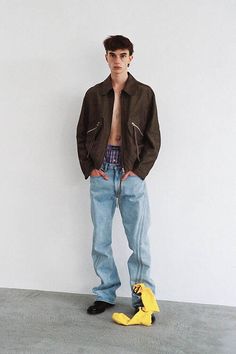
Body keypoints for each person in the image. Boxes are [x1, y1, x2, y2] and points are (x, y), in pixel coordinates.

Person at [76, 35, 161, 317]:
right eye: (112, 55)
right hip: (102, 172)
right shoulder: (94, 94)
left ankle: (142, 299)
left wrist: (139, 172)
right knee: (101, 239)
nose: (117, 60)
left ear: (131, 58)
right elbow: (81, 134)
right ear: (106, 58)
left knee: (138, 241)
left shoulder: (144, 93)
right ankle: (105, 293)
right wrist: (90, 168)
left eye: (122, 55)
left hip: (130, 174)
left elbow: (153, 139)